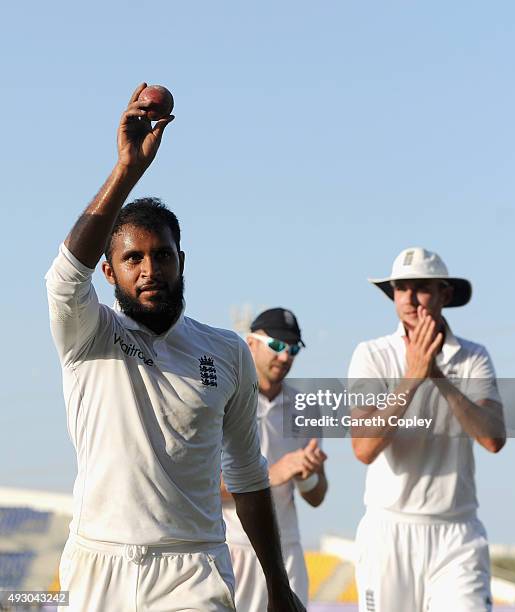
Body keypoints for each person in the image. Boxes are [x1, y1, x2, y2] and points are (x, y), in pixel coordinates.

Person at [45, 83, 305, 612]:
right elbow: (63, 278)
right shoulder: (88, 333)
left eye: (161, 256)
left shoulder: (227, 352)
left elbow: (248, 475)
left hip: (192, 570)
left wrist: (277, 586)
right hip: (99, 565)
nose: (149, 270)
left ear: (181, 261)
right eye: (133, 258)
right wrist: (127, 169)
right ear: (109, 270)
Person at [348, 247, 506, 612]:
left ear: (444, 294)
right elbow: (363, 448)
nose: (410, 299)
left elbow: (493, 438)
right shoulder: (371, 354)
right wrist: (411, 378)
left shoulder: (474, 356)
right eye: (401, 288)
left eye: (421, 287)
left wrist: (437, 376)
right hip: (389, 532)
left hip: (458, 534)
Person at [221, 308, 328, 611]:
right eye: (277, 346)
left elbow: (317, 496)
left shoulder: (306, 408)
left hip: (288, 552)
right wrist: (273, 474)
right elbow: (199, 485)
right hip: (234, 549)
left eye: (293, 349)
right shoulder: (223, 398)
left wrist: (307, 474)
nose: (285, 357)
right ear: (250, 343)